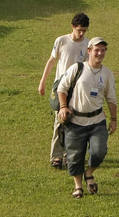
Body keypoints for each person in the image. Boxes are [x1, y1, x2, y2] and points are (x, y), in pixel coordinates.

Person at [56, 36, 117, 199]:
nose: (100, 53)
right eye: (97, 50)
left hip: (97, 121)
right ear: (89, 51)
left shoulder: (107, 73)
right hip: (75, 121)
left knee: (99, 151)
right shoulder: (77, 68)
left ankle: (89, 173)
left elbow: (111, 99)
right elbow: (62, 88)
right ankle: (78, 186)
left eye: (103, 50)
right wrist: (63, 107)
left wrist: (114, 119)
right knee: (75, 156)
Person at [36, 13, 89, 168]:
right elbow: (52, 61)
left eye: (84, 31)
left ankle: (69, 155)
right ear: (72, 27)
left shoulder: (87, 45)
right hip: (61, 88)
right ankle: (56, 156)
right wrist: (42, 82)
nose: (81, 33)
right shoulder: (61, 41)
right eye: (79, 30)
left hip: (77, 89)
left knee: (75, 122)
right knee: (60, 121)